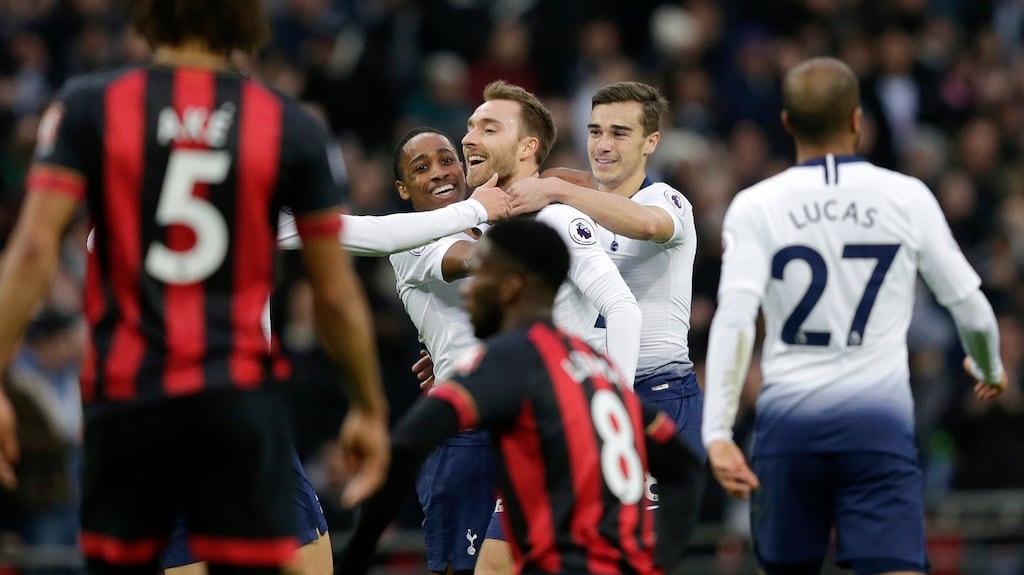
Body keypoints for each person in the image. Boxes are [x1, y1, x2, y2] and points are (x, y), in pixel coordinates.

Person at [0, 1, 391, 573]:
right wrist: (368, 406)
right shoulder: (289, 124)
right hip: (237, 404)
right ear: (248, 24)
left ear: (148, 19)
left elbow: (33, 250)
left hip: (129, 406)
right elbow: (333, 295)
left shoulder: (89, 105)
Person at [701, 57, 1007, 575]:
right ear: (858, 120)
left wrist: (718, 432)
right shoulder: (906, 196)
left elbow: (734, 319)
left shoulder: (756, 205)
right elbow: (970, 306)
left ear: (787, 123)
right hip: (877, 426)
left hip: (788, 427)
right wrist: (990, 366)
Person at [338, 218, 702, 575]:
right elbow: (683, 467)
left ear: (510, 288)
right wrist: (662, 560)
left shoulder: (513, 358)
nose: (468, 290)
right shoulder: (593, 365)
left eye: (481, 275)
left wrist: (356, 557)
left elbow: (408, 446)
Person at [460, 81, 642, 575]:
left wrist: (613, 420)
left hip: (564, 437)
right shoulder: (496, 227)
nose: (470, 137)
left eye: (489, 127)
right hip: (525, 434)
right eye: (472, 125)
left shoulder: (558, 221)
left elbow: (623, 310)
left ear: (527, 149)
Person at [507, 81, 705, 462]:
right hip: (581, 393)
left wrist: (559, 190)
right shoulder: (572, 212)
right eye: (595, 131)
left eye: (620, 133)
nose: (603, 145)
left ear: (651, 142)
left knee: (645, 525)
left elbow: (647, 224)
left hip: (659, 392)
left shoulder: (666, 199)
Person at [386, 126, 503, 575]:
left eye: (447, 159)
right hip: (464, 434)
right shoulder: (406, 239)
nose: (440, 172)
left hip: (521, 422)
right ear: (402, 188)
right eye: (421, 167)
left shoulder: (489, 223)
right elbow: (478, 259)